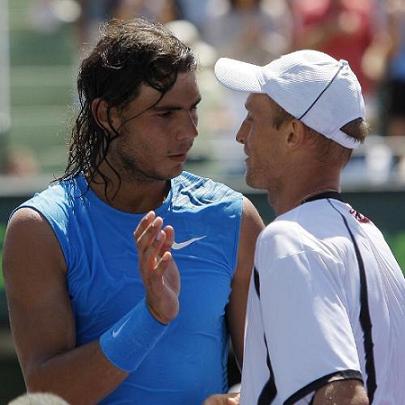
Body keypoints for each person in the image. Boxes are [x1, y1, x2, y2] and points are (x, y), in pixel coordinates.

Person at [2, 18, 264, 404]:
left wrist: (239, 397)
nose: (189, 131)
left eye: (192, 110)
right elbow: (48, 394)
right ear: (107, 115)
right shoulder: (39, 231)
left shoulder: (235, 218)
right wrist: (152, 316)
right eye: (165, 114)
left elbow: (269, 375)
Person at [206, 49, 405, 404]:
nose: (240, 134)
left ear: (293, 134)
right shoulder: (373, 239)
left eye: (253, 118)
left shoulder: (289, 240)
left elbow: (345, 398)